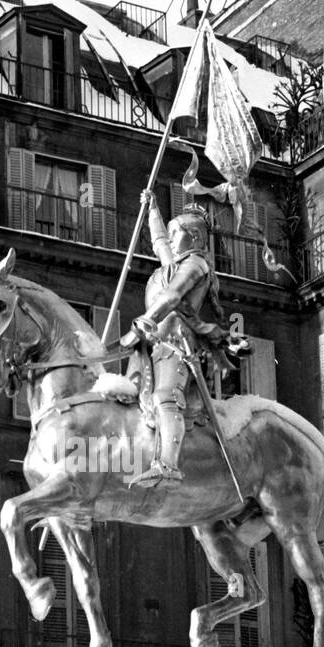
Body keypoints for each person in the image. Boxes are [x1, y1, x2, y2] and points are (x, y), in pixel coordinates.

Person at [118, 189, 225, 488]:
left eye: (177, 231)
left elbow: (173, 295)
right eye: (173, 230)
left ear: (192, 237)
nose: (171, 236)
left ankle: (168, 465)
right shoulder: (175, 263)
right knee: (130, 394)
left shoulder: (196, 265)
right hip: (153, 341)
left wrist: (145, 320)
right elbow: (160, 243)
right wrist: (152, 210)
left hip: (176, 342)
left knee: (165, 396)